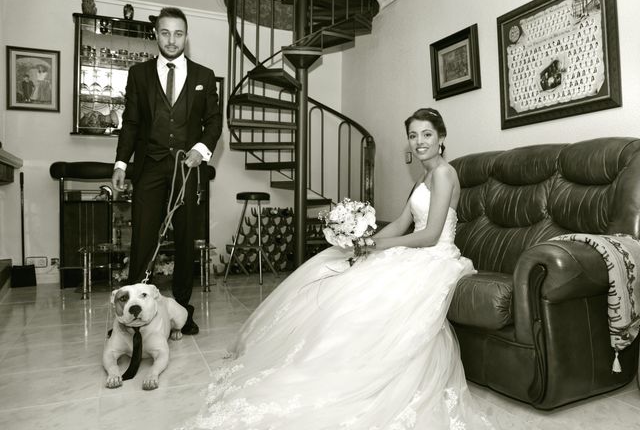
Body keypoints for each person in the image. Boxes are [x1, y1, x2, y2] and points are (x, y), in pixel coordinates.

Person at [177, 108, 493, 429]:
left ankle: (350, 369)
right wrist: (363, 241)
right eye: (413, 135)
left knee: (369, 289)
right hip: (415, 248)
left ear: (441, 138)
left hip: (434, 256)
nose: (419, 142)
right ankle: (319, 359)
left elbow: (430, 234)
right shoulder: (424, 177)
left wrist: (376, 247)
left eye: (427, 134)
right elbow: (400, 223)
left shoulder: (443, 174)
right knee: (338, 269)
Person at [111, 7, 222, 335]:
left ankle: (183, 313)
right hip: (149, 169)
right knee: (143, 241)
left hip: (187, 172)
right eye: (165, 32)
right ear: (155, 34)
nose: (171, 39)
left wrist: (201, 151)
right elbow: (130, 123)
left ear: (186, 37)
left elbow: (214, 121)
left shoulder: (204, 76)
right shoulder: (139, 73)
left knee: (187, 240)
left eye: (178, 33)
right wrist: (120, 164)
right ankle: (132, 318)